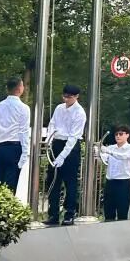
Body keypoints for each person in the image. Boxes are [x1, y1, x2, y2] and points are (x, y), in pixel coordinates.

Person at [46, 84, 86, 226]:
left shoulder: (79, 113)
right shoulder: (59, 108)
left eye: (69, 97)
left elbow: (73, 137)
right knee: (53, 181)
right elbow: (52, 124)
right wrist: (49, 140)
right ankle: (53, 215)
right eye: (65, 96)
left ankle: (69, 214)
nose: (66, 99)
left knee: (70, 183)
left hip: (70, 147)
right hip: (56, 143)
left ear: (76, 97)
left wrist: (62, 156)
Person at [0, 77, 30, 194]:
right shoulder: (24, 108)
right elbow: (23, 132)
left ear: (7, 89)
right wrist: (25, 153)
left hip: (0, 148)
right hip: (15, 147)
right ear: (20, 88)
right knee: (11, 185)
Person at [98, 124, 130, 222]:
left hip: (123, 183)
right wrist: (98, 152)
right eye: (116, 134)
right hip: (110, 183)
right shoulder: (111, 147)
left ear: (127, 135)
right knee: (108, 212)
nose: (118, 136)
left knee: (122, 212)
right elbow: (104, 160)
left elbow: (123, 157)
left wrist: (108, 152)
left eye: (121, 134)